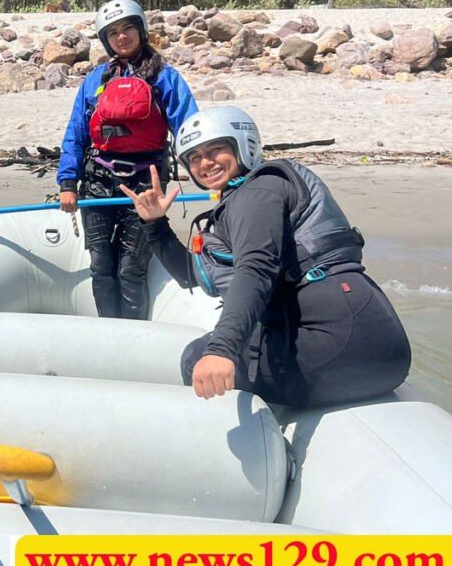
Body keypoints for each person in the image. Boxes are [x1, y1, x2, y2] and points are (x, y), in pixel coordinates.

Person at [121, 106, 411, 407]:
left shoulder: (258, 192)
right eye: (194, 157)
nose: (205, 163)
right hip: (380, 347)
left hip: (342, 344)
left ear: (243, 146)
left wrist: (222, 350)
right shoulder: (250, 195)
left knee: (196, 357)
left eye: (216, 150)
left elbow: (256, 270)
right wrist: (155, 224)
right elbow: (190, 276)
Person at [56, 0, 198, 320]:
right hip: (98, 183)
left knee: (131, 269)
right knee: (101, 267)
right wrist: (67, 182)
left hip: (144, 187)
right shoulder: (95, 81)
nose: (122, 37)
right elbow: (76, 133)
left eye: (128, 29)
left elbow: (190, 130)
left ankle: (134, 338)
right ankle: (109, 333)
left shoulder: (165, 77)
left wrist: (207, 174)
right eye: (114, 33)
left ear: (141, 31)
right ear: (106, 40)